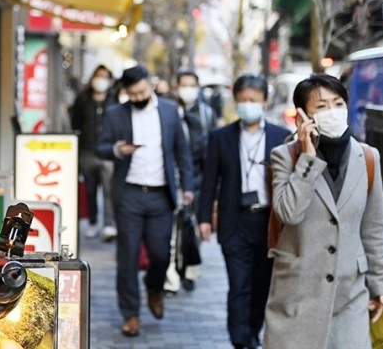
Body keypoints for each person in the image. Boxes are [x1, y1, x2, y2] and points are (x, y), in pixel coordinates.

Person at [263, 73, 383, 349]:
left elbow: (374, 229)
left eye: (338, 103)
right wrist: (307, 158)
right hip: (298, 296)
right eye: (321, 107)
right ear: (302, 115)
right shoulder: (285, 157)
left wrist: (381, 284)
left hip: (350, 298)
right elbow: (289, 213)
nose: (332, 112)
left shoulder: (368, 158)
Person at [96, 65, 195, 338]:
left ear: (150, 84)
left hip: (161, 195)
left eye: (141, 91)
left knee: (161, 253)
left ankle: (154, 287)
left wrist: (188, 187)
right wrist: (117, 149)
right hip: (129, 194)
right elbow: (101, 146)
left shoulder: (169, 111)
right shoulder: (116, 113)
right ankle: (130, 314)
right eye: (132, 94)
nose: (138, 97)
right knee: (127, 257)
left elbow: (182, 152)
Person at [198, 74, 290, 349]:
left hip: (268, 221)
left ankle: (252, 332)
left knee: (262, 285)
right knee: (239, 285)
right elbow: (209, 181)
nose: (247, 105)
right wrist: (204, 218)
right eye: (242, 100)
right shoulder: (220, 137)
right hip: (234, 220)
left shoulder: (280, 135)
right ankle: (240, 340)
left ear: (264, 101)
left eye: (253, 100)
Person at [163, 70, 217, 293]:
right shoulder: (167, 111)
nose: (187, 89)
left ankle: (189, 269)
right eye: (183, 84)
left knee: (192, 230)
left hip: (198, 178)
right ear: (177, 87)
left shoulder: (206, 114)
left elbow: (212, 149)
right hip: (171, 178)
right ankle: (171, 276)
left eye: (191, 85)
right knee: (170, 233)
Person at [69, 65, 117, 241]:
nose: (101, 80)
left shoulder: (114, 100)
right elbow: (75, 123)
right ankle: (92, 221)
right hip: (87, 150)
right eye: (98, 76)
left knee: (109, 190)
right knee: (90, 189)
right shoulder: (83, 99)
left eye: (105, 76)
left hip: (108, 151)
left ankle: (109, 224)